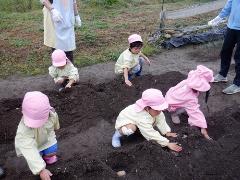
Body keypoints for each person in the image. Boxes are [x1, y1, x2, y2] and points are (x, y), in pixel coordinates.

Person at [112, 88, 182, 152]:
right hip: (126, 120)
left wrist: (166, 132)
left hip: (138, 121)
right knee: (130, 129)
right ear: (147, 108)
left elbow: (161, 120)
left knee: (154, 119)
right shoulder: (142, 117)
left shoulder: (155, 111)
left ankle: (138, 129)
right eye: (157, 109)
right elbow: (149, 133)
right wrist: (166, 143)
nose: (160, 111)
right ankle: (117, 135)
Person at [15, 91, 60, 180]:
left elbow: (55, 124)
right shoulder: (24, 130)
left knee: (52, 150)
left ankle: (46, 156)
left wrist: (56, 126)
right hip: (33, 145)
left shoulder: (52, 114)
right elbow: (28, 148)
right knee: (34, 156)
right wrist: (41, 170)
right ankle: (40, 159)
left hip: (46, 139)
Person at [165, 65, 213, 140]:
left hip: (169, 97)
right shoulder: (190, 98)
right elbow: (195, 112)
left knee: (188, 105)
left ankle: (177, 108)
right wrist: (203, 127)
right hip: (171, 105)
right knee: (189, 107)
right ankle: (173, 114)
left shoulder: (187, 82)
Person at [208, 0, 240, 94]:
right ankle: (222, 74)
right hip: (232, 26)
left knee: (239, 57)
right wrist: (219, 18)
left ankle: (238, 84)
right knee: (225, 51)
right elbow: (229, 5)